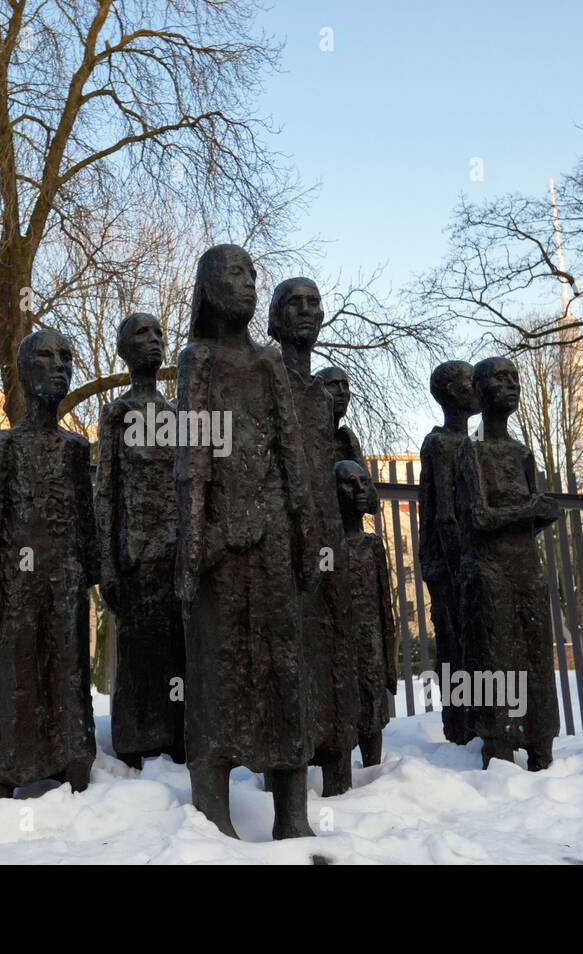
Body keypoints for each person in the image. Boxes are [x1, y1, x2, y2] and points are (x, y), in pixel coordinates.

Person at [176, 244, 315, 839]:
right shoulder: (196, 359)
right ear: (210, 286)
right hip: (217, 544)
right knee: (215, 667)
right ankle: (213, 810)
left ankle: (293, 814)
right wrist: (191, 543)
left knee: (283, 665)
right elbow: (191, 458)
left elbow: (291, 453)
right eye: (236, 274)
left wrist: (305, 532)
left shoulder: (269, 365)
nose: (250, 284)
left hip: (274, 539)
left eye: (253, 275)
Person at [0, 329, 98, 800]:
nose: (60, 365)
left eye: (67, 357)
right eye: (47, 357)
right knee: (18, 668)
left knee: (67, 668)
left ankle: (71, 756)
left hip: (65, 578)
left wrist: (94, 575)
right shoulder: (6, 443)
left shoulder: (74, 447)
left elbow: (85, 519)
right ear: (26, 371)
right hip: (18, 577)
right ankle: (7, 763)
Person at [267, 278, 358, 797]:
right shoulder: (266, 378)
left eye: (314, 303)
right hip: (282, 532)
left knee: (329, 642)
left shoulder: (321, 397)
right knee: (289, 648)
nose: (306, 311)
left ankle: (335, 761)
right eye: (293, 304)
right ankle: (287, 770)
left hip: (326, 534)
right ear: (275, 320)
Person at [455, 356, 561, 770]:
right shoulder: (471, 450)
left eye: (515, 378)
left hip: (526, 569)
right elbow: (478, 518)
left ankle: (541, 739)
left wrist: (541, 512)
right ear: (479, 392)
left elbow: (531, 517)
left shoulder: (522, 452)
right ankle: (498, 741)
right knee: (496, 657)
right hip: (491, 570)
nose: (511, 385)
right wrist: (528, 510)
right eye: (500, 379)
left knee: (536, 655)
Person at [95, 312, 185, 768]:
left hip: (174, 556)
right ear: (124, 350)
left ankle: (176, 736)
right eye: (141, 334)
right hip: (134, 556)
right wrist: (107, 562)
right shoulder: (118, 413)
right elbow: (105, 489)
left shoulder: (177, 415)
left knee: (175, 652)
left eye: (159, 334)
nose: (153, 341)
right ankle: (133, 737)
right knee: (136, 653)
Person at [418, 360, 479, 745]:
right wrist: (460, 566)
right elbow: (444, 514)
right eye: (470, 381)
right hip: (448, 564)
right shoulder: (440, 443)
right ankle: (460, 727)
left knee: (473, 643)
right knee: (454, 644)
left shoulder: (471, 444)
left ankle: (477, 720)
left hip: (468, 561)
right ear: (452, 392)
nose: (478, 387)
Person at [335, 460, 398, 766]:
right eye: (349, 483)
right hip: (338, 645)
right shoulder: (327, 550)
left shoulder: (373, 546)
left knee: (372, 710)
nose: (359, 490)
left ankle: (373, 770)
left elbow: (386, 608)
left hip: (370, 644)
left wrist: (389, 660)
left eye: (364, 482)